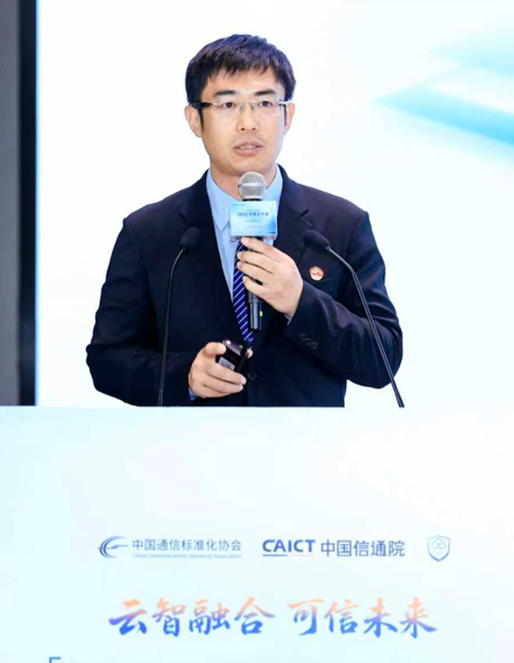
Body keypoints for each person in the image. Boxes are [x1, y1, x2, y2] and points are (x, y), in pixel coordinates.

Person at [87, 34, 402, 407]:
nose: (248, 123)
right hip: (193, 442)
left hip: (307, 443)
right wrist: (185, 376)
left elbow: (382, 359)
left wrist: (299, 301)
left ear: (288, 116)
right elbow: (107, 360)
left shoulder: (340, 225)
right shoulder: (149, 232)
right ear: (195, 119)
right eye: (228, 105)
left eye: (265, 103)